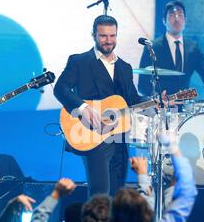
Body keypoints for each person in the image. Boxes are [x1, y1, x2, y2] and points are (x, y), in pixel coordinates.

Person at [54, 15, 146, 196]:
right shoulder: (79, 61)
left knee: (116, 194)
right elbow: (60, 89)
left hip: (119, 137)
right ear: (94, 35)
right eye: (103, 36)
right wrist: (83, 108)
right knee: (100, 195)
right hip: (92, 136)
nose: (108, 41)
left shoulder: (124, 67)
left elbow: (132, 99)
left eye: (112, 36)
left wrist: (157, 101)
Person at [137, 0, 204, 100]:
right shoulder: (152, 47)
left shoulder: (193, 48)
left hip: (185, 106)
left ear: (185, 20)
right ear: (164, 21)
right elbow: (142, 85)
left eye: (180, 15)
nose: (177, 19)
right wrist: (155, 100)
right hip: (160, 108)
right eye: (172, 15)